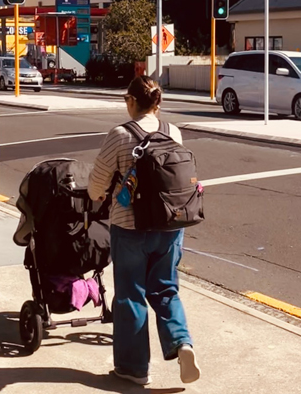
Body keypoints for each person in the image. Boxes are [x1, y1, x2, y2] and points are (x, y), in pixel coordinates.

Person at [88, 75, 200, 386]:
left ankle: (134, 369)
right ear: (158, 104)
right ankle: (182, 343)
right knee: (165, 290)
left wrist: (97, 196)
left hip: (130, 227)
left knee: (130, 296)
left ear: (132, 102)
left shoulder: (120, 134)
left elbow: (97, 185)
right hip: (170, 225)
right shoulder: (173, 131)